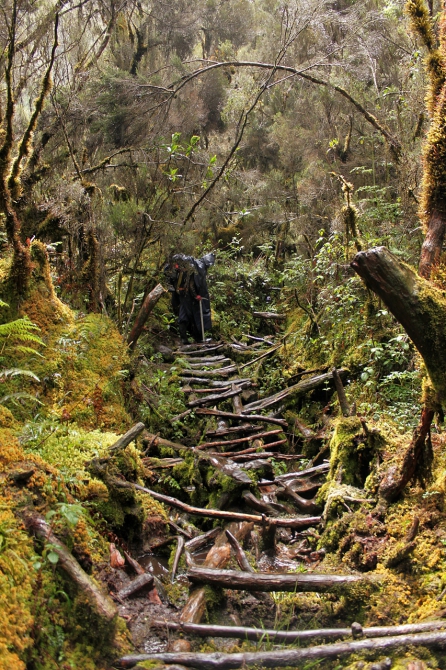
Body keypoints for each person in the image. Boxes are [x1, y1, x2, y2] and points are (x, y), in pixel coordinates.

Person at [164, 252, 215, 344]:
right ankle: (188, 339)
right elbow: (189, 285)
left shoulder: (187, 271)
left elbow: (190, 284)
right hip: (184, 295)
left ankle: (191, 339)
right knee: (188, 316)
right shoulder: (178, 272)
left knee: (189, 315)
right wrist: (196, 295)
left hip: (185, 295)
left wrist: (195, 295)